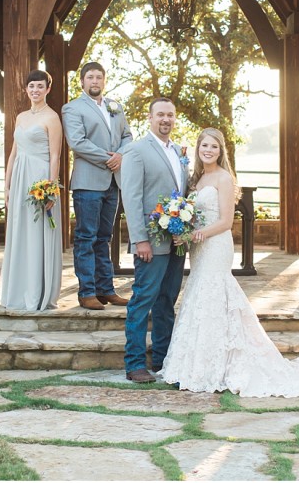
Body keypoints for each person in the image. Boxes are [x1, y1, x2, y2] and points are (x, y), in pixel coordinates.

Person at [160, 128, 299, 397]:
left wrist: (197, 234)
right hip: (199, 247)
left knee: (214, 294)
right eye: (204, 145)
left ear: (221, 151)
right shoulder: (197, 179)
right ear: (198, 148)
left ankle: (217, 367)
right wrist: (186, 232)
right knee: (200, 297)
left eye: (214, 146)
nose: (208, 150)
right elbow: (194, 214)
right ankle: (196, 364)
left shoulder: (224, 178)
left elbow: (226, 221)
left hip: (215, 245)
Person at [120, 98, 188, 383]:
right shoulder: (136, 151)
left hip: (176, 241)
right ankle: (135, 363)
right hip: (151, 241)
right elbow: (132, 198)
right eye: (160, 114)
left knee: (167, 300)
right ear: (149, 118)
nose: (166, 119)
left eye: (170, 115)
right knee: (142, 299)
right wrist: (140, 241)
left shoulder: (178, 151)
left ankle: (162, 359)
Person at [61, 62, 133, 310]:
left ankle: (106, 290)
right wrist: (109, 158)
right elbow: (77, 142)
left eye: (99, 77)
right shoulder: (72, 108)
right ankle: (87, 291)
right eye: (90, 77)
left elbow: (128, 136)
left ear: (104, 81)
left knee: (105, 237)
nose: (95, 81)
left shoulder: (115, 106)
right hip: (88, 183)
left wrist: (121, 155)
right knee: (86, 237)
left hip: (113, 182)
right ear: (82, 81)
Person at [0, 70, 64, 310]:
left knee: (38, 232)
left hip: (39, 178)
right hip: (20, 180)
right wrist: (7, 185)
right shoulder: (21, 116)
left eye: (40, 86)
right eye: (31, 86)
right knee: (19, 231)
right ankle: (18, 290)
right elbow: (14, 153)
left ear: (47, 89)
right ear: (26, 89)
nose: (35, 90)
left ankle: (38, 292)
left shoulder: (52, 118)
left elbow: (56, 155)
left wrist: (51, 188)